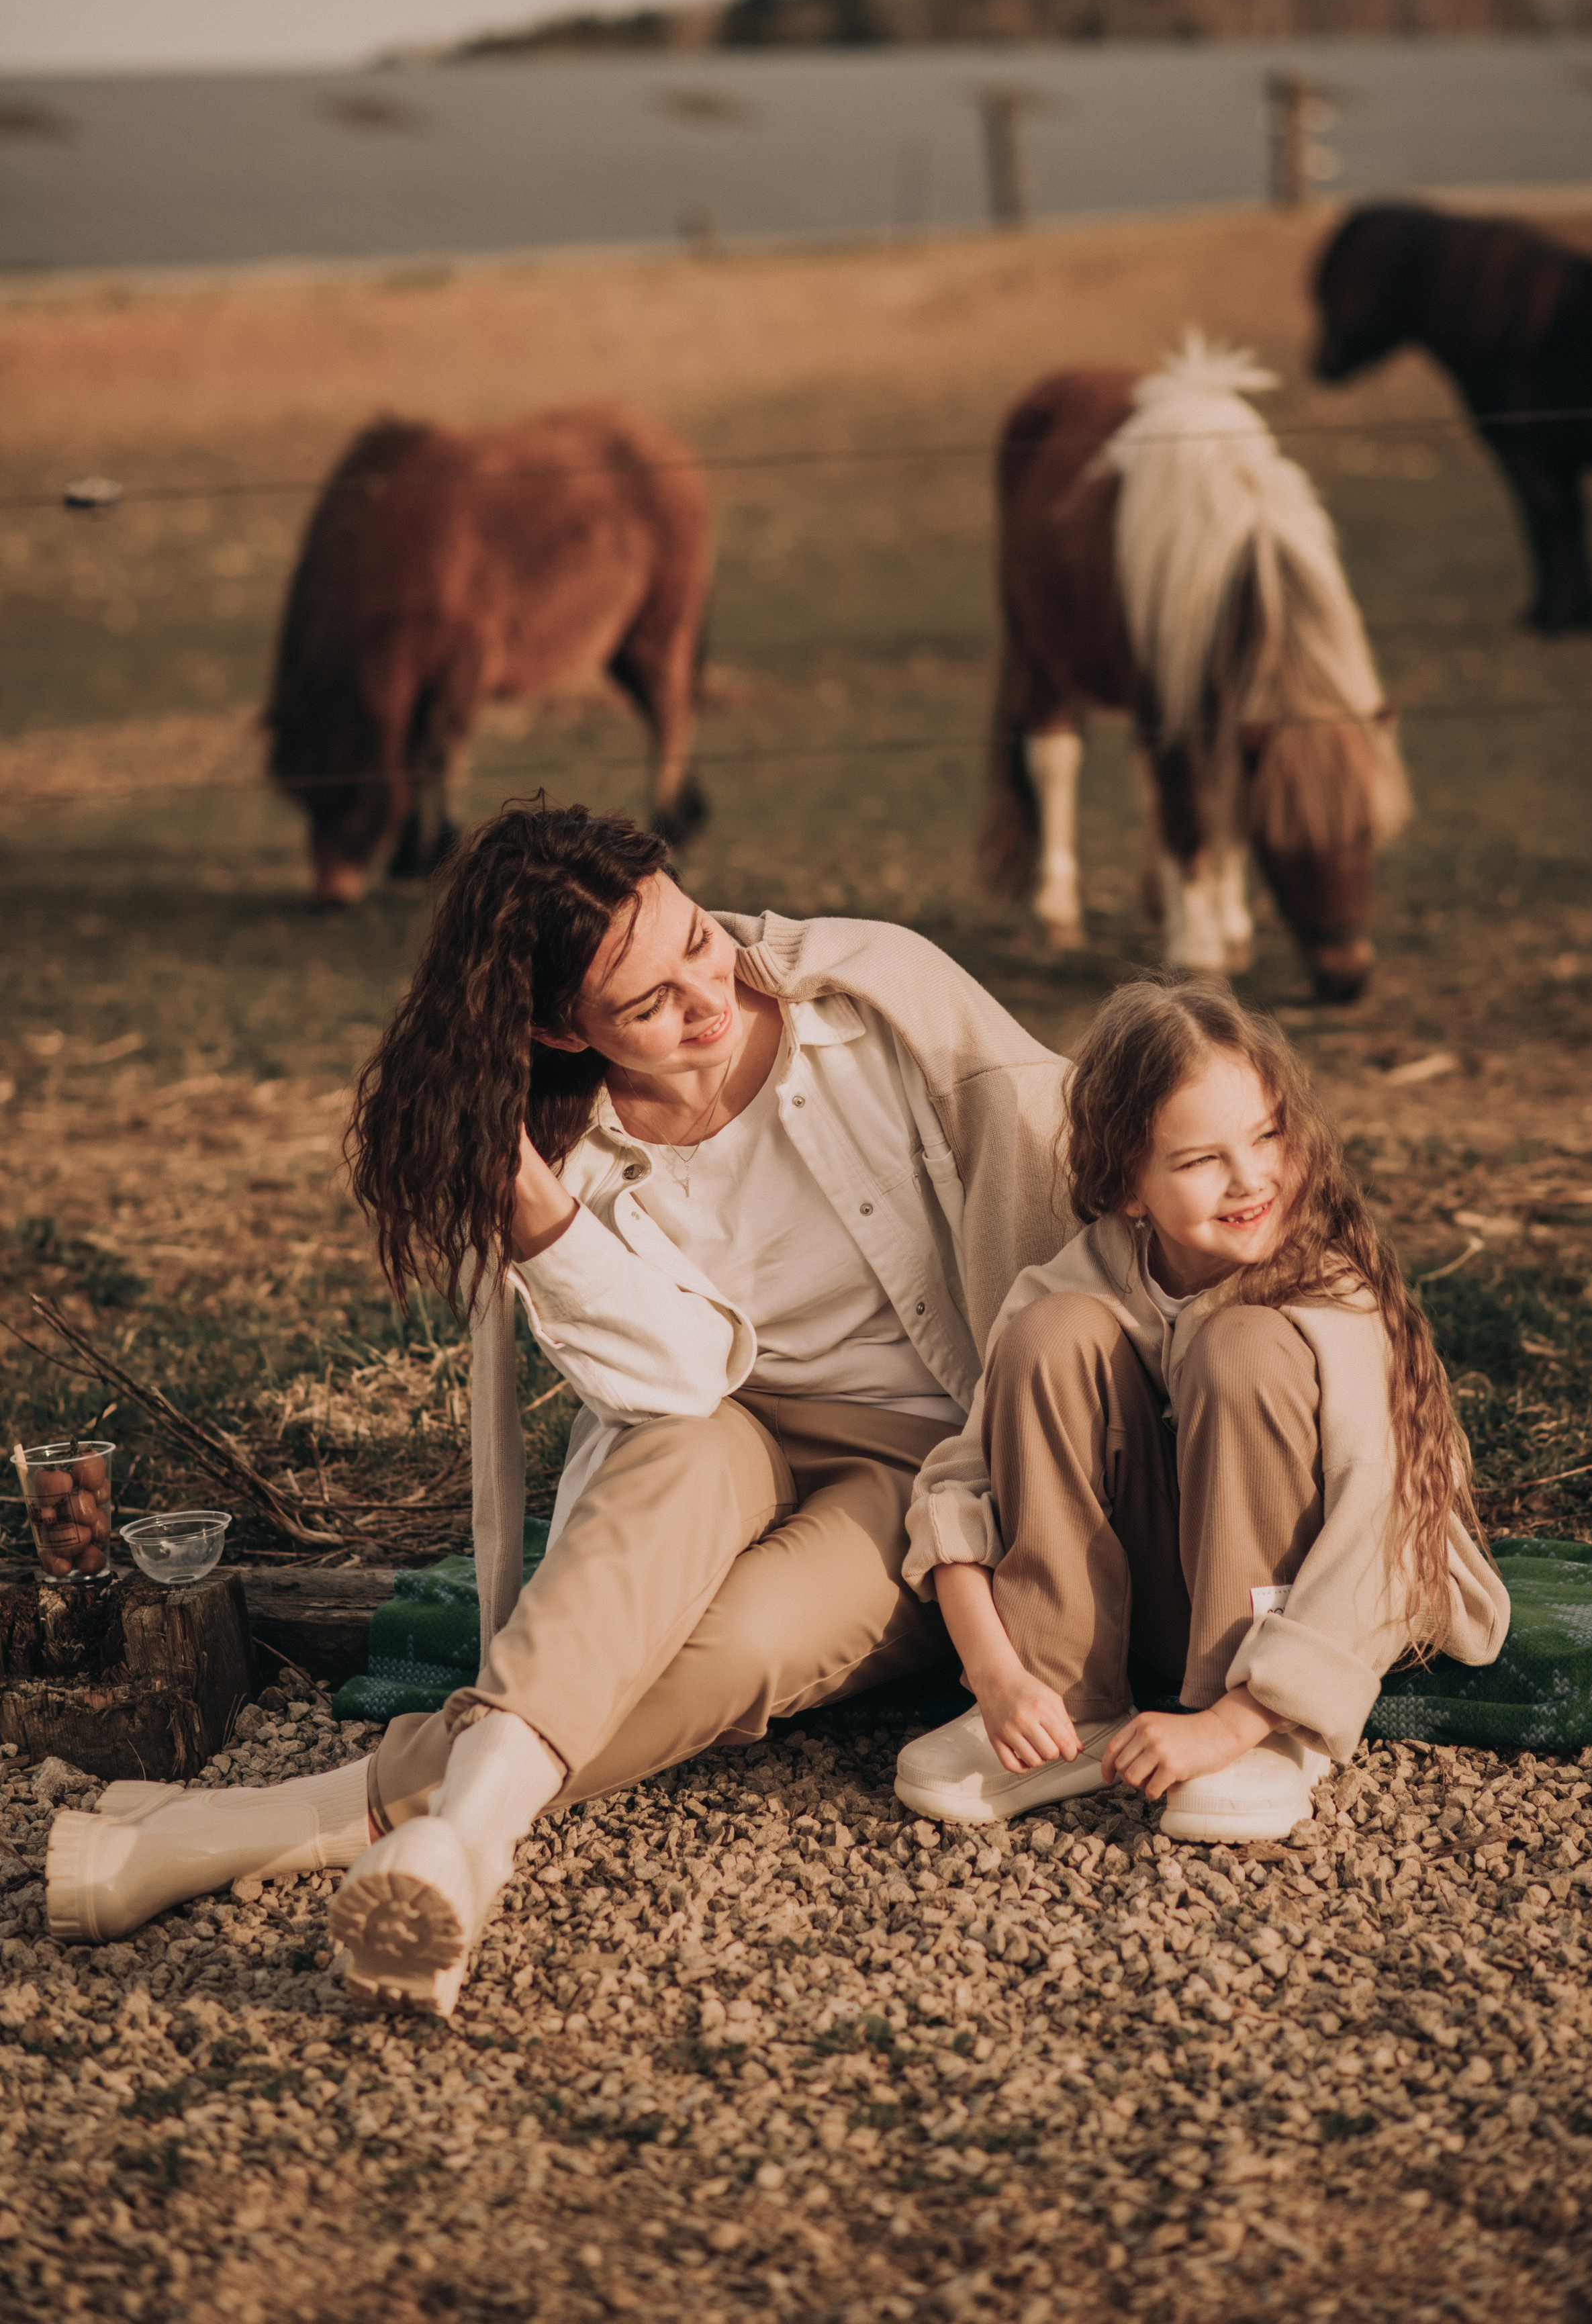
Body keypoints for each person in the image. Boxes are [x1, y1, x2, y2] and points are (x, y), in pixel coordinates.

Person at [47, 800, 1072, 2011]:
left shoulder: (874, 998)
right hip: (720, 1423)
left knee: (730, 1647)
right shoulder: (560, 1141)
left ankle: (262, 1834)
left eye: (699, 939)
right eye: (648, 1005)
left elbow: (1067, 1194)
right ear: (555, 1026)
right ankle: (457, 1854)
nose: (709, 998)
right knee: (683, 1457)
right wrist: (541, 1215)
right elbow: (682, 1381)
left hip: (934, 1453)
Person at [895, 976, 1509, 1842]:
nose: (1251, 1179)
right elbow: (961, 1488)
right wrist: (998, 1675)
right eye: (1200, 1160)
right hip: (1148, 1602)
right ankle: (1069, 1700)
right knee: (1047, 1333)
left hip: (1293, 1628)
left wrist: (1235, 1721)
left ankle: (1266, 1726)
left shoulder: (1328, 1290)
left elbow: (1381, 1527)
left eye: (1267, 1137)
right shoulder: (1087, 1272)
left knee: (1241, 1347)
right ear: (1128, 1190)